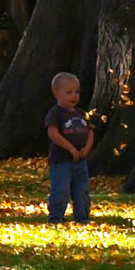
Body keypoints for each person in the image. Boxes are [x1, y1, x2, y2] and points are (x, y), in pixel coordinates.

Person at [44, 72, 95, 224]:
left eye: (77, 92)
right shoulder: (56, 113)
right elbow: (52, 133)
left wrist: (87, 147)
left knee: (81, 190)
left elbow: (90, 131)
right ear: (56, 93)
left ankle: (82, 217)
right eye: (69, 92)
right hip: (62, 160)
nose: (74, 96)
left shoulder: (81, 114)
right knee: (61, 190)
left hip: (80, 161)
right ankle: (56, 217)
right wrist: (70, 148)